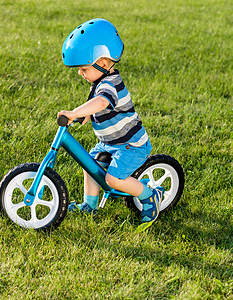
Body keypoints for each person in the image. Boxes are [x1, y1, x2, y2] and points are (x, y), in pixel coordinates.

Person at [57, 18, 163, 230]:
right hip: (110, 143)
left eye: (83, 69)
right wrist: (85, 116)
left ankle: (151, 195)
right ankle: (90, 205)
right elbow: (98, 107)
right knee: (89, 164)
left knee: (114, 181)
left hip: (130, 145)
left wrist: (76, 112)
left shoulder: (110, 84)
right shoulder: (99, 81)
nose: (80, 73)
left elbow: (103, 101)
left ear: (103, 64)